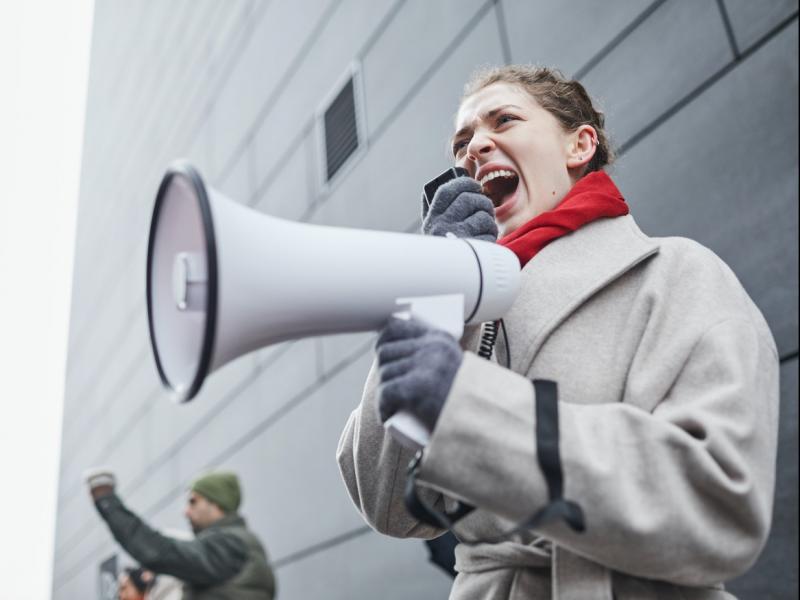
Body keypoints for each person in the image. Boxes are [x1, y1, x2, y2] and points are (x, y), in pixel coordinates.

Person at [337, 65, 779, 599]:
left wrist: (469, 409)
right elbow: (386, 504)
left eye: (505, 120)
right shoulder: (457, 307)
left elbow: (719, 506)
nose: (474, 146)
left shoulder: (677, 272)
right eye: (461, 144)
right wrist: (430, 293)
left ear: (579, 145)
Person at [87, 468, 276, 600]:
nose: (186, 512)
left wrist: (106, 499)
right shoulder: (235, 545)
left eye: (193, 501)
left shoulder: (229, 545)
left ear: (217, 503)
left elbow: (157, 552)